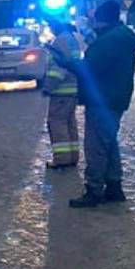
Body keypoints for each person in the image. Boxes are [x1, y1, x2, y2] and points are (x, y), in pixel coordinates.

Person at [64, 0, 135, 208]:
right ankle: (114, 187)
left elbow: (89, 68)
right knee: (109, 143)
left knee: (96, 145)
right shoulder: (118, 37)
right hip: (115, 98)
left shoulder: (109, 41)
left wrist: (68, 63)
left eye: (95, 18)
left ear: (102, 19)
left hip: (103, 100)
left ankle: (94, 190)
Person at [43, 18, 82, 169]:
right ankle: (72, 157)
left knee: (57, 123)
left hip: (61, 91)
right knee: (69, 123)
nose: (50, 29)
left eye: (50, 26)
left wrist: (48, 86)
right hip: (72, 90)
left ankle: (62, 159)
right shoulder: (71, 39)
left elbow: (59, 68)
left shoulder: (61, 41)